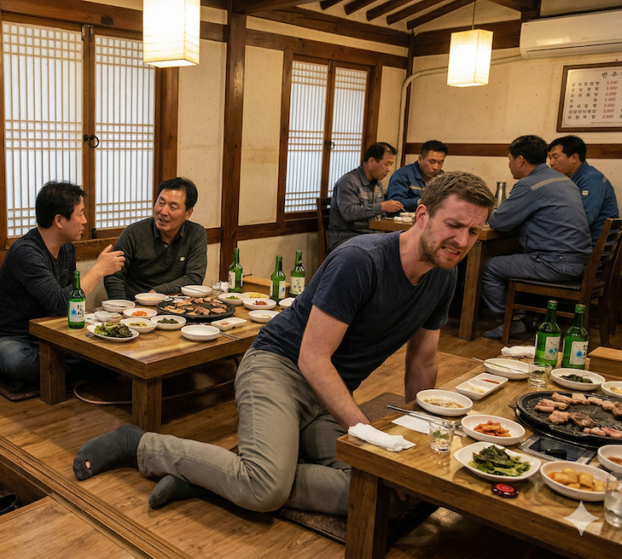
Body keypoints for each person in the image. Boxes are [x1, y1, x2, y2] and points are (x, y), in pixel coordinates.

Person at [72, 172, 495, 516]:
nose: (462, 241)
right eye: (454, 226)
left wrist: (417, 441)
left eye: (474, 231)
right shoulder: (361, 260)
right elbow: (312, 358)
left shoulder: (445, 273)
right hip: (279, 369)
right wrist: (364, 430)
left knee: (380, 485)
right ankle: (140, 444)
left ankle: (212, 477)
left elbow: (422, 363)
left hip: (329, 392)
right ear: (421, 215)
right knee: (265, 490)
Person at [0, 181, 125, 388]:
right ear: (59, 220)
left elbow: (68, 308)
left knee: (109, 352)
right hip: (9, 338)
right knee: (20, 361)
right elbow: (59, 303)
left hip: (49, 335)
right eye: (80, 214)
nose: (85, 220)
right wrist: (98, 270)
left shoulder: (67, 249)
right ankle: (60, 372)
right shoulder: (26, 252)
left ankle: (52, 374)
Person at [481, 135, 592, 339]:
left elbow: (498, 222)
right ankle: (520, 316)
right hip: (580, 262)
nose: (510, 165)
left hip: (555, 263)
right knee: (512, 255)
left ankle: (510, 321)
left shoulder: (529, 185)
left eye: (509, 159)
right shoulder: (564, 180)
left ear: (520, 160)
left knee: (489, 266)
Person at [103, 177, 207, 300]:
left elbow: (194, 278)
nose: (163, 211)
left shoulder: (196, 233)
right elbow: (113, 275)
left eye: (173, 207)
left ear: (188, 213)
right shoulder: (134, 232)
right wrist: (123, 307)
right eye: (161, 203)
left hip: (176, 305)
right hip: (136, 306)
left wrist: (157, 292)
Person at [328, 142, 403, 251]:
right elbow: (349, 213)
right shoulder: (349, 181)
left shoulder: (377, 183)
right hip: (345, 237)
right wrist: (381, 206)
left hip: (369, 236)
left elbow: (379, 217)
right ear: (371, 161)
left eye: (391, 165)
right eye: (386, 164)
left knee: (400, 246)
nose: (389, 169)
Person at [548, 135, 619, 242]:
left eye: (555, 157)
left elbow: (582, 221)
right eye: (550, 158)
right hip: (577, 243)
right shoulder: (570, 179)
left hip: (589, 247)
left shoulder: (592, 180)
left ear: (574, 158)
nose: (551, 163)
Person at [385, 140, 448, 213]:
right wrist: (420, 202)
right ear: (420, 159)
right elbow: (394, 203)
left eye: (440, 163)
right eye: (432, 162)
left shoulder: (441, 176)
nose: (436, 167)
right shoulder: (403, 174)